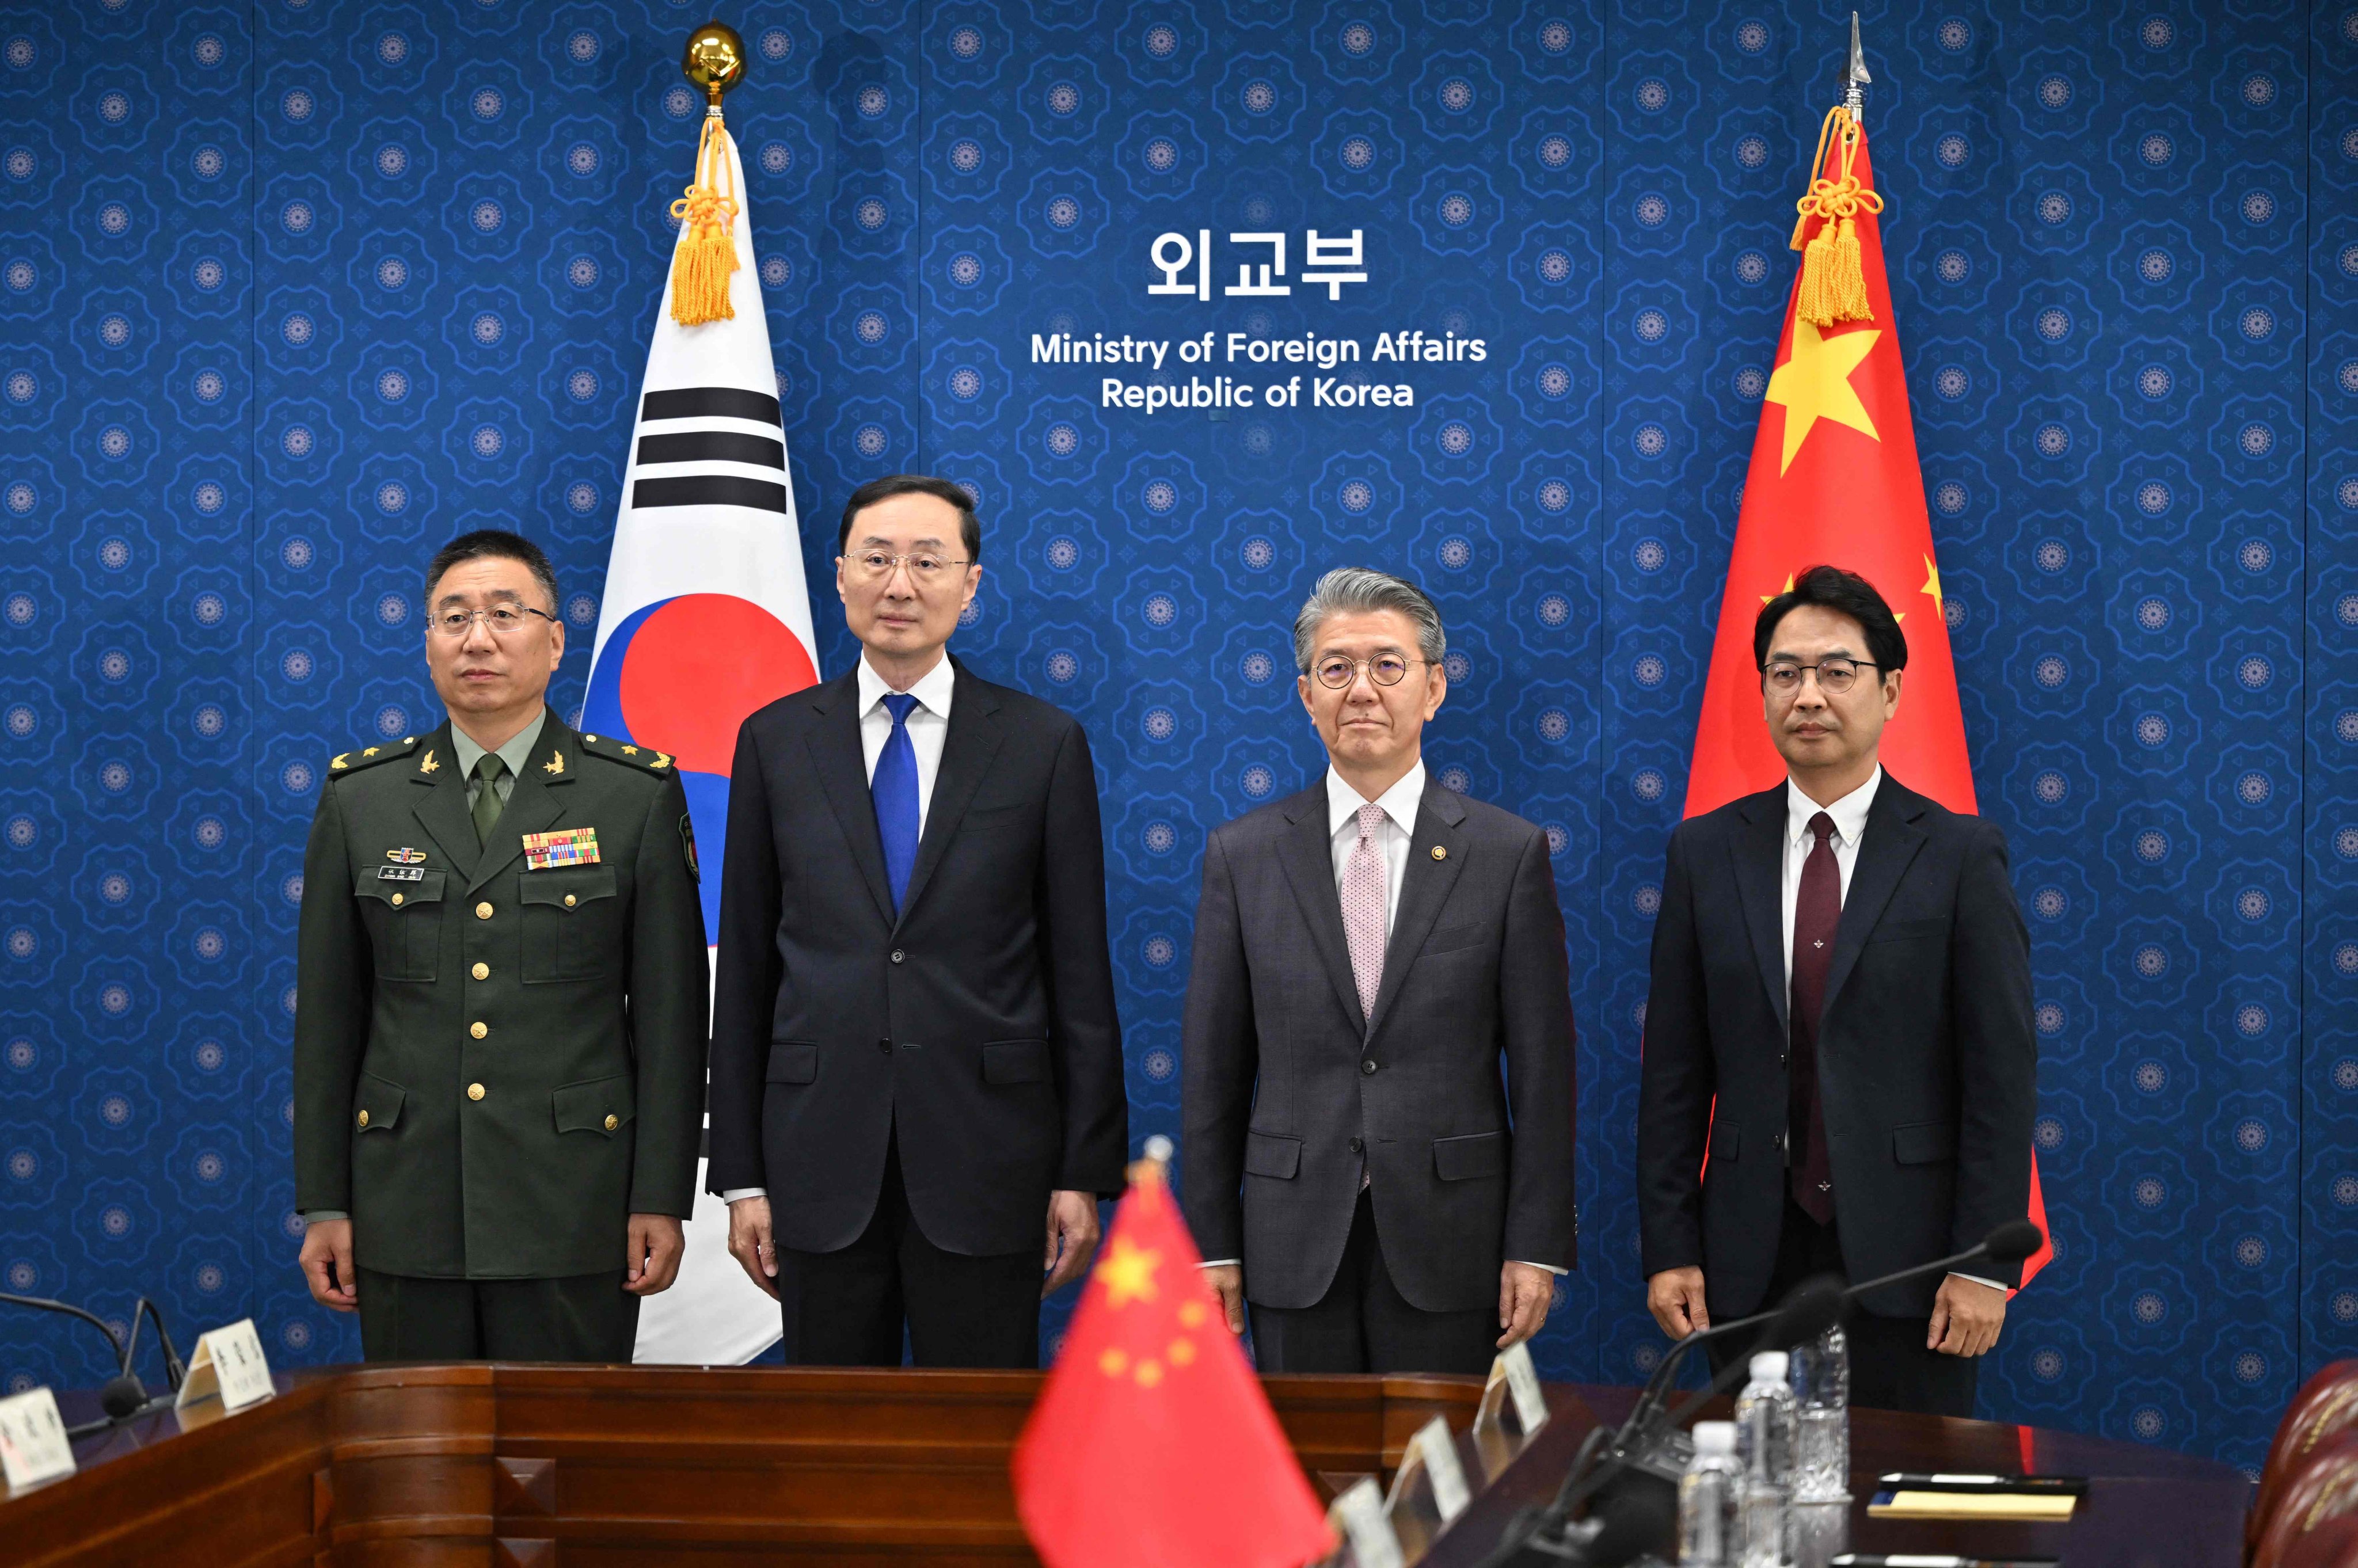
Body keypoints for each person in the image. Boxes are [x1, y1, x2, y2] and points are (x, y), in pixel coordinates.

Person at [706, 474, 1127, 1368]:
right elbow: (745, 969)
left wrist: (1081, 1171)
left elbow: (1080, 977)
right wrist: (740, 1174)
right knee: (830, 1449)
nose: (901, 584)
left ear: (970, 586)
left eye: (928, 562)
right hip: (817, 1160)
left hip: (990, 1161)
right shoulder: (775, 741)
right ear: (841, 575)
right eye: (879, 559)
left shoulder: (1042, 744)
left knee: (974, 1452)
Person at [292, 529, 709, 1360]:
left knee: (564, 1464)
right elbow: (331, 1020)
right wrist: (326, 1204)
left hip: (574, 1202)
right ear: (428, 644)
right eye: (454, 618)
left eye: (504, 615)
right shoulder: (362, 798)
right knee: (421, 1467)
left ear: (554, 641)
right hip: (406, 1202)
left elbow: (672, 1021)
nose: (477, 638)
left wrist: (661, 1196)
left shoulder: (632, 795)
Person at [1637, 564, 2036, 1417]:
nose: (1807, 694)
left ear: (1890, 691)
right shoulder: (1705, 855)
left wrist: (1980, 1266)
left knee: (1900, 1514)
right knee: (1751, 1500)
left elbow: (2000, 1076)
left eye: (1835, 671)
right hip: (1747, 1259)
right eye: (1785, 673)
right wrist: (1670, 1247)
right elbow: (1673, 1072)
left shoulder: (1960, 856)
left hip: (1916, 1263)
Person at [1180, 567, 1577, 1375]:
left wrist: (1536, 1245)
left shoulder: (1506, 855)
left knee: (1437, 1491)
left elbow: (1544, 1072)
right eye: (1337, 668)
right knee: (1303, 1485)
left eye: (1387, 666)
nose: (1361, 689)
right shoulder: (1244, 855)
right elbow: (1213, 1070)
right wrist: (1212, 1245)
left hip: (1453, 1235)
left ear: (1433, 689)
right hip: (1291, 1239)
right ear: (1305, 695)